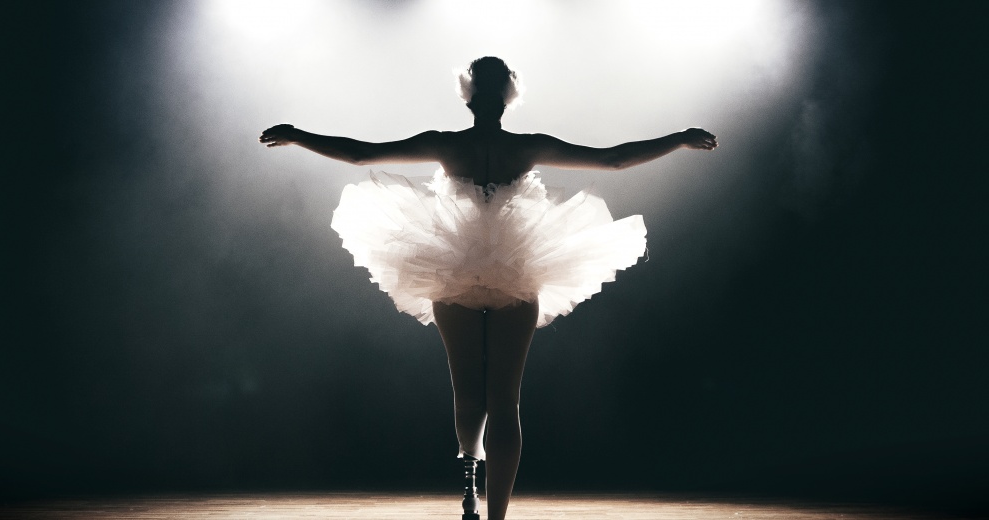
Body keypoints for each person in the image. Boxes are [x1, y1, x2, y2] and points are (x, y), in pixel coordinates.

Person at [260, 56, 716, 520]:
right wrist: (677, 139)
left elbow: (360, 153)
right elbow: (613, 159)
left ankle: (470, 482)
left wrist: (298, 136)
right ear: (507, 97)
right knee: (505, 401)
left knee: (468, 394)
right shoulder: (527, 146)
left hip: (452, 270)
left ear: (470, 96)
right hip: (516, 272)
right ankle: (494, 514)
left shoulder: (445, 144)